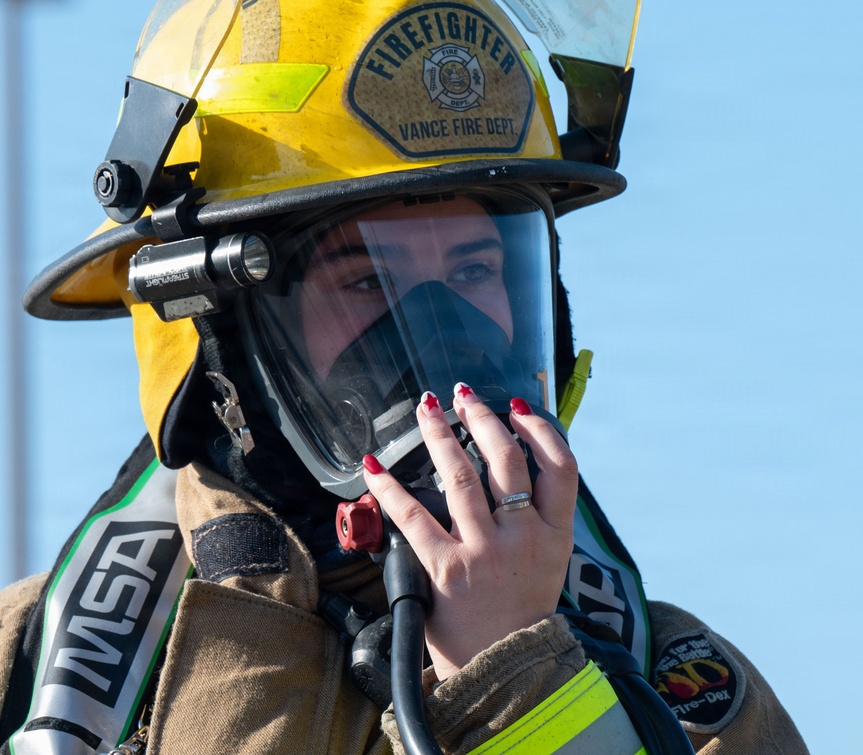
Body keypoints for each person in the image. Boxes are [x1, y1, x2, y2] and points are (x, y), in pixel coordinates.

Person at [0, 0, 809, 753]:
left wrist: (517, 679)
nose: (437, 334)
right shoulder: (30, 675)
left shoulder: (683, 697)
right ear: (218, 343)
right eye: (364, 280)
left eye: (474, 271)